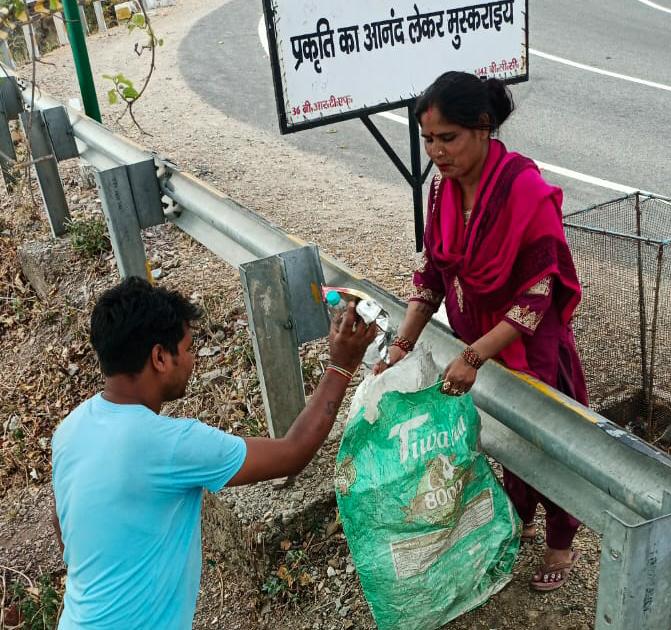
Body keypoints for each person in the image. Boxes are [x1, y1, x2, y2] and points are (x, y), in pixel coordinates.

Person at [51, 277, 376, 629]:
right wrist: (342, 365)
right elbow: (293, 453)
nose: (192, 361)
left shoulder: (71, 429)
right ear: (160, 357)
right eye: (188, 349)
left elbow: (62, 521)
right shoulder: (170, 443)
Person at [375, 71, 589, 591]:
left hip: (527, 351)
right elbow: (431, 276)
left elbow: (538, 294)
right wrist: (402, 344)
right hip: (478, 349)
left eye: (448, 138)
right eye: (428, 140)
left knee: (549, 447)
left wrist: (474, 357)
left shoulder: (524, 192)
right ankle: (519, 516)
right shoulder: (440, 192)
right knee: (501, 442)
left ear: (484, 127)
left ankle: (560, 543)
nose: (437, 152)